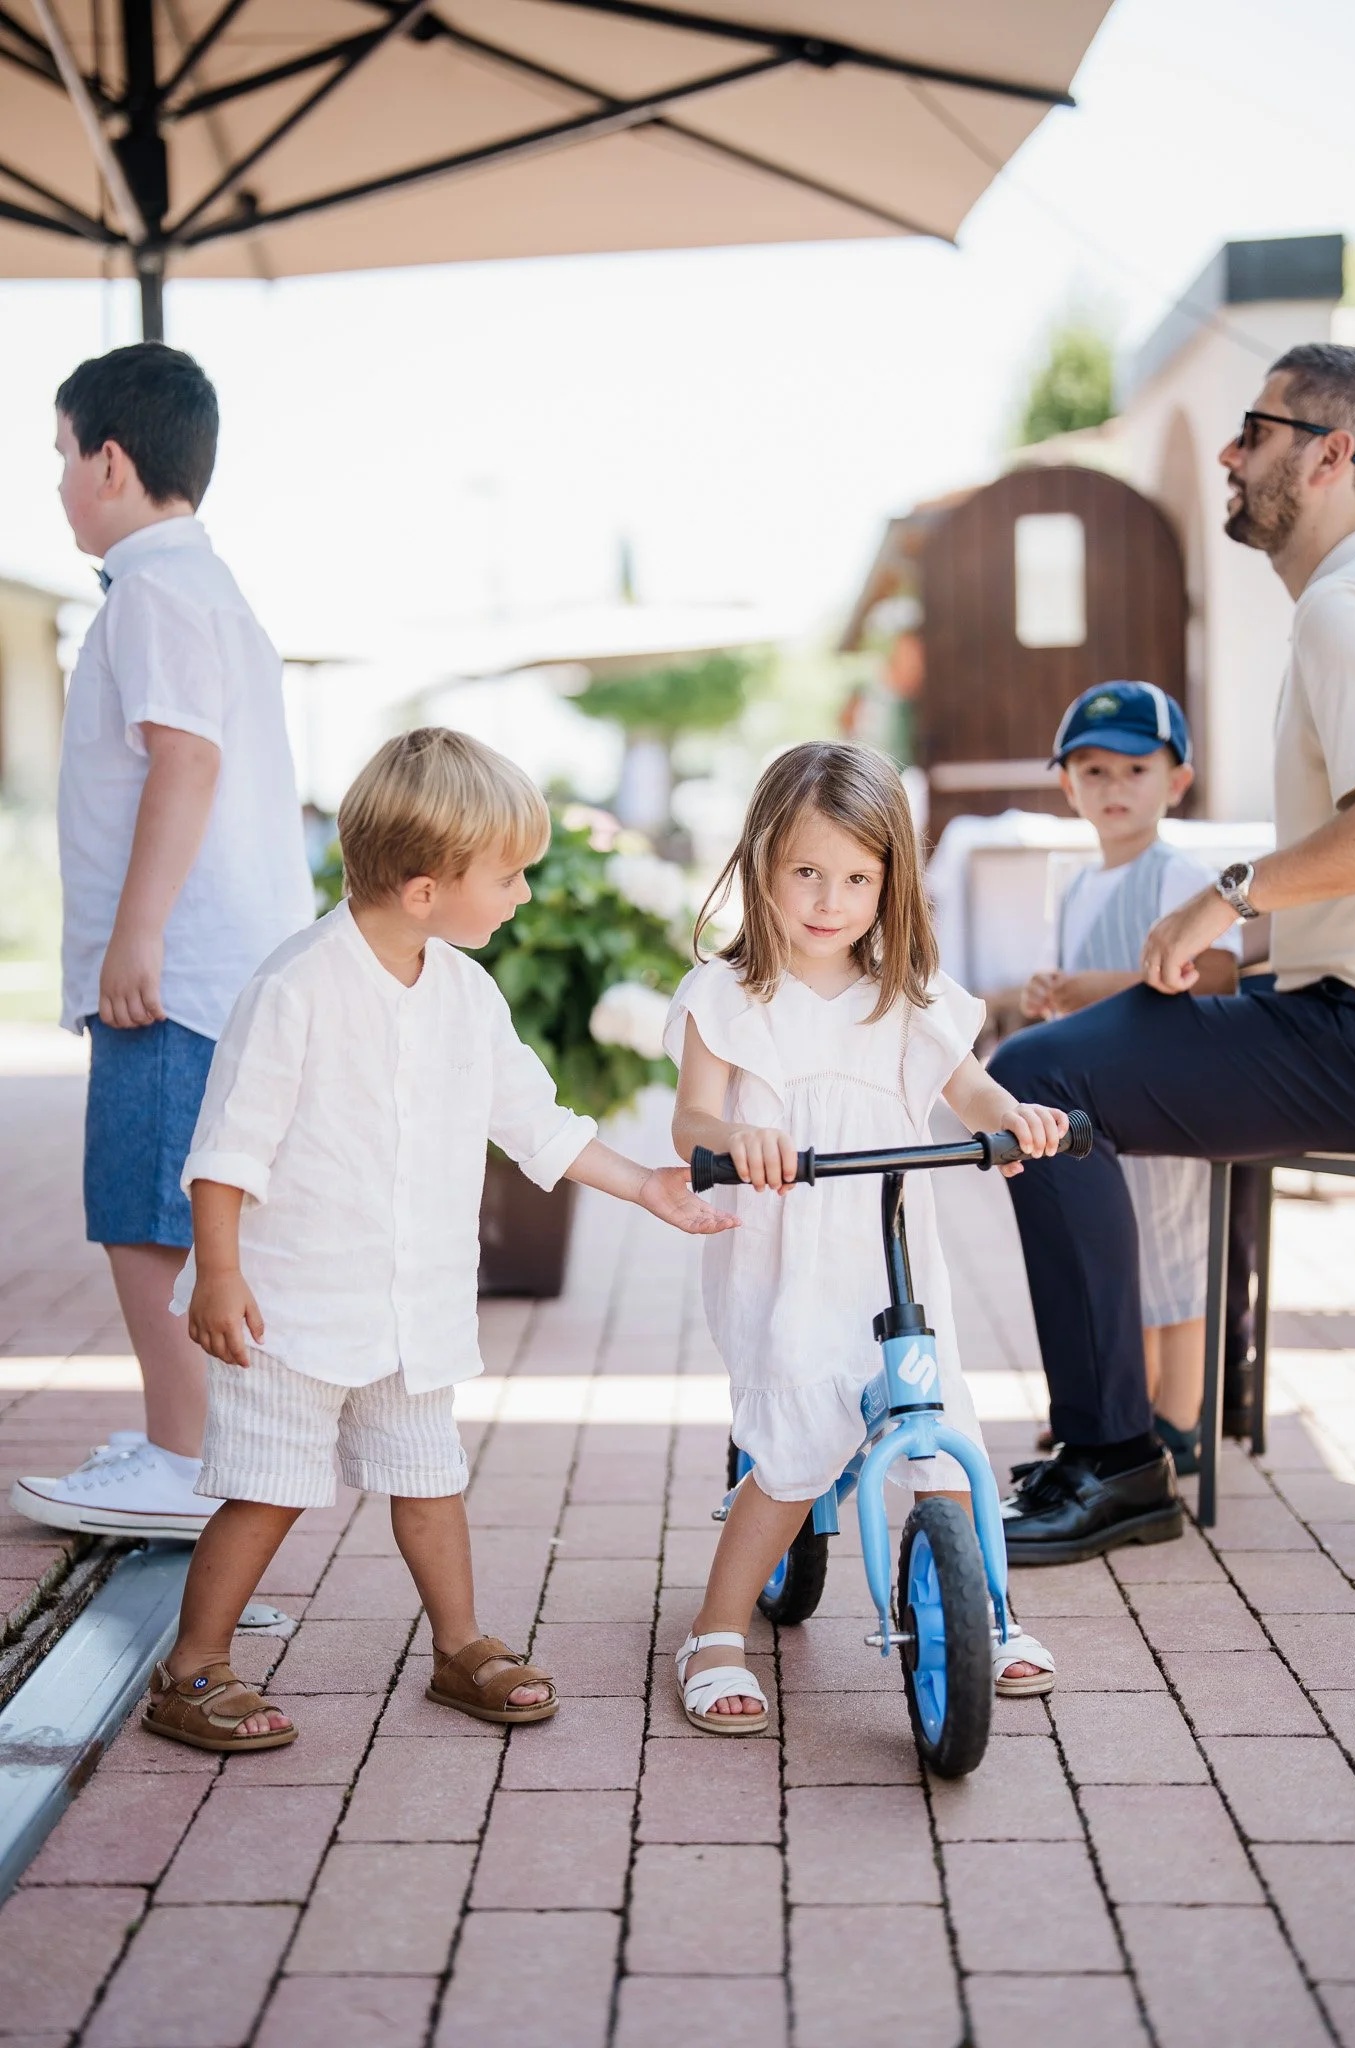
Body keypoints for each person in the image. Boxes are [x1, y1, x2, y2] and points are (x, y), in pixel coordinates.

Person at [142, 729, 736, 1752]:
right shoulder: (299, 986)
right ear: (424, 889)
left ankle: (459, 1643)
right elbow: (227, 1146)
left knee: (429, 1476)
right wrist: (220, 1271)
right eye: (507, 877)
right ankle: (192, 1664)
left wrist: (644, 1184)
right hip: (288, 1303)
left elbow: (534, 1118)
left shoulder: (465, 991)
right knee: (270, 1489)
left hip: (411, 1305)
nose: (522, 895)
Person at [990, 340, 1355, 1565]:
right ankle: (1119, 1439)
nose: (1227, 449)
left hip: (1346, 1034)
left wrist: (1226, 897)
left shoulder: (1347, 609)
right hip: (1320, 1004)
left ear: (1334, 454)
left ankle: (1116, 1457)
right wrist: (1250, 942)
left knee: (1044, 1078)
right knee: (1057, 1063)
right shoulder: (1338, 607)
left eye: (1254, 429)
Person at [667, 741, 1068, 1731]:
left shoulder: (910, 994)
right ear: (762, 864)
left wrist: (1010, 1113)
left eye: (856, 876)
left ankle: (989, 1607)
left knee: (944, 1426)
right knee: (799, 1438)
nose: (828, 898)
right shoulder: (729, 998)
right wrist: (736, 1135)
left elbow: (966, 1084)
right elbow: (690, 1121)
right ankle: (716, 1627)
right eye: (806, 870)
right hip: (784, 1255)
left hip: (890, 1250)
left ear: (891, 881)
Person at [12, 344, 315, 1542]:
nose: (54, 486)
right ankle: (188, 1444)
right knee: (180, 1206)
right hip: (213, 962)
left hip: (178, 972)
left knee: (148, 1208)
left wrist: (132, 938)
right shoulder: (201, 586)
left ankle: (184, 1459)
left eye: (58, 458)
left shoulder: (154, 594)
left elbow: (184, 758)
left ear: (111, 459)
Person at [1019, 683, 1241, 1474]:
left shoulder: (1175, 871)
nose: (1114, 788)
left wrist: (1093, 989)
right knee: (1120, 1252)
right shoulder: (1077, 883)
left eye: (1135, 770)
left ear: (1176, 781)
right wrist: (1053, 993)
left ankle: (1180, 1419)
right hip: (1100, 1112)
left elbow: (1215, 971)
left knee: (1173, 1260)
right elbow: (1080, 985)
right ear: (1066, 785)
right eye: (1093, 771)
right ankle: (1129, 1404)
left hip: (1165, 1100)